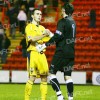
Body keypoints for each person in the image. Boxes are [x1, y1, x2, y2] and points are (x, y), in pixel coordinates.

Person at [36, 2, 76, 100]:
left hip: (61, 52)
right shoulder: (73, 22)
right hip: (71, 53)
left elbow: (58, 36)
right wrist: (50, 34)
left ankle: (60, 96)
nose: (61, 11)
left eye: (62, 9)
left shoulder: (62, 21)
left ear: (64, 11)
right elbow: (62, 36)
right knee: (68, 76)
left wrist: (44, 45)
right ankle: (70, 98)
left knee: (51, 73)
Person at [24, 8, 51, 100]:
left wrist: (50, 34)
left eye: (40, 14)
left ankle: (43, 99)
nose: (40, 15)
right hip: (33, 53)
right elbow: (32, 39)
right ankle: (26, 98)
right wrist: (44, 35)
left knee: (44, 77)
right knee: (32, 77)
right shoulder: (29, 27)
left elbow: (49, 40)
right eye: (37, 14)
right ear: (32, 16)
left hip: (42, 54)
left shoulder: (43, 28)